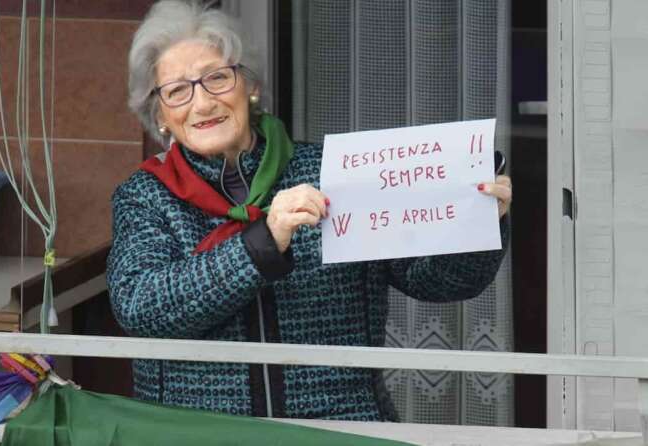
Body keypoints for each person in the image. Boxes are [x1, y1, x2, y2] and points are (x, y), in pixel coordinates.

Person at [107, 0, 512, 421]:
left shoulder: (332, 173)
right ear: (161, 117)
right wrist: (263, 243)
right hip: (200, 431)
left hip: (337, 427)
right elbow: (142, 307)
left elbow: (435, 282)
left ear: (250, 86)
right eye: (178, 91)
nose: (203, 103)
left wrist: (480, 220)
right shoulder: (144, 196)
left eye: (217, 78)